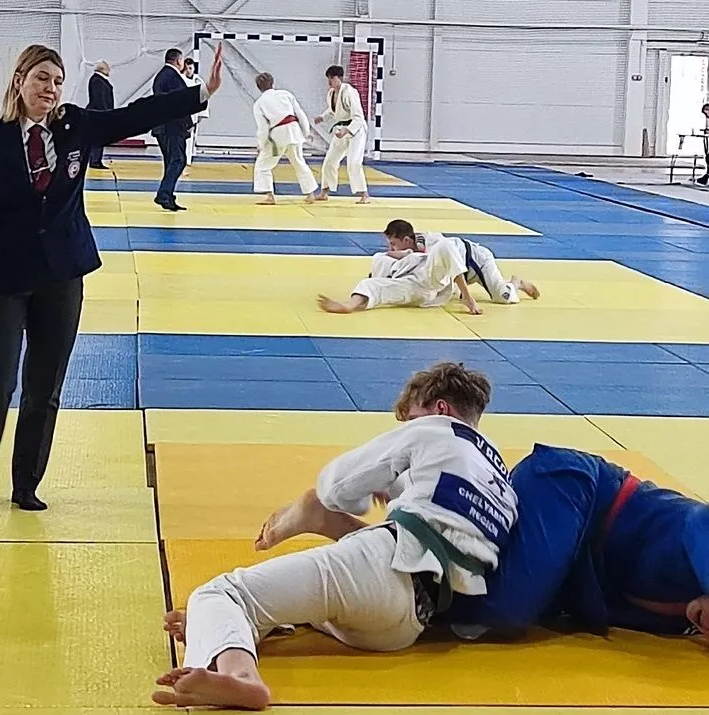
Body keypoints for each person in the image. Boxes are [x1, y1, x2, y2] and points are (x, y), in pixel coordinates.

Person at [151, 362, 518, 709]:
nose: (409, 426)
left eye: (411, 418)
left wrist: (365, 492)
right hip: (406, 624)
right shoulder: (500, 480)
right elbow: (443, 514)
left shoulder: (433, 429)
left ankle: (240, 675)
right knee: (271, 605)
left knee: (222, 593)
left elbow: (335, 485)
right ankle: (222, 630)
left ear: (439, 408)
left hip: (384, 566)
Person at [0, 42, 223, 514]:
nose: (51, 89)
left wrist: (200, 93)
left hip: (61, 274)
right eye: (42, 78)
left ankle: (26, 485)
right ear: (19, 80)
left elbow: (134, 115)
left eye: (58, 81)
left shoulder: (74, 124)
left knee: (45, 388)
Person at [445, 445, 709, 641]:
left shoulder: (683, 622)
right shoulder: (694, 551)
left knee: (495, 602)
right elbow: (700, 522)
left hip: (571, 567)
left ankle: (430, 576)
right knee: (508, 608)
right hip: (570, 488)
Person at [317, 219, 539, 315]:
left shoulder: (434, 242)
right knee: (379, 265)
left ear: (407, 239)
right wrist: (391, 256)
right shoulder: (413, 255)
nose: (390, 248)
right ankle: (350, 305)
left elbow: (446, 256)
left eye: (393, 243)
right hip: (444, 278)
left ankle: (516, 283)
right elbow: (402, 258)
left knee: (502, 297)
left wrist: (468, 298)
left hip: (474, 260)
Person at [251, 72, 318, 205]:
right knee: (299, 162)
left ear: (258, 87)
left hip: (278, 137)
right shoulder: (285, 94)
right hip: (294, 131)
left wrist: (261, 144)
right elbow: (300, 114)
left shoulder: (259, 103)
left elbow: (263, 128)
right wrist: (306, 131)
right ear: (272, 83)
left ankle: (269, 196)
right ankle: (310, 194)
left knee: (263, 165)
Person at [313, 65, 370, 204]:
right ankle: (324, 191)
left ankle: (364, 194)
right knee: (329, 161)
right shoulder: (331, 93)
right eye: (328, 78)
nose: (329, 82)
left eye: (332, 78)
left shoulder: (350, 92)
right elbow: (333, 110)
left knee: (354, 162)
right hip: (341, 129)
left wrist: (348, 130)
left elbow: (358, 117)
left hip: (356, 130)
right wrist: (322, 117)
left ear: (339, 78)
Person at [152, 49, 194, 211]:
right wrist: (187, 123)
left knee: (171, 161)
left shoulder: (161, 76)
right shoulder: (172, 77)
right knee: (178, 160)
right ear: (178, 61)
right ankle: (164, 194)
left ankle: (168, 196)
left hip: (163, 125)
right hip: (172, 126)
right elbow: (180, 102)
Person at [86, 60, 114, 169]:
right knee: (97, 137)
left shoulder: (99, 80)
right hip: (98, 113)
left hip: (99, 112)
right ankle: (94, 160)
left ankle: (96, 159)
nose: (109, 71)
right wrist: (106, 114)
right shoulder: (97, 81)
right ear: (102, 69)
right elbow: (100, 99)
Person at [182, 57, 209, 168]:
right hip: (181, 114)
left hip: (193, 114)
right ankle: (181, 159)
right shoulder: (180, 80)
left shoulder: (198, 81)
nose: (189, 71)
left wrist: (201, 115)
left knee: (190, 138)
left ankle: (188, 159)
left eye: (190, 68)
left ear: (194, 68)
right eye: (187, 68)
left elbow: (204, 97)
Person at [697, 103, 709, 186]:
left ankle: (707, 176)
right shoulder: (705, 119)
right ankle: (706, 176)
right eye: (705, 110)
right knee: (708, 157)